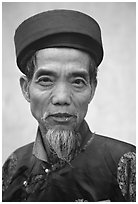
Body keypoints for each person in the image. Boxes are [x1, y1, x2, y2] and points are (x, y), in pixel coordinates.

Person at [2, 9, 136, 202]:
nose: (62, 97)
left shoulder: (126, 163)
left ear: (92, 88)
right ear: (26, 89)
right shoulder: (14, 166)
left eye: (78, 81)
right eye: (46, 80)